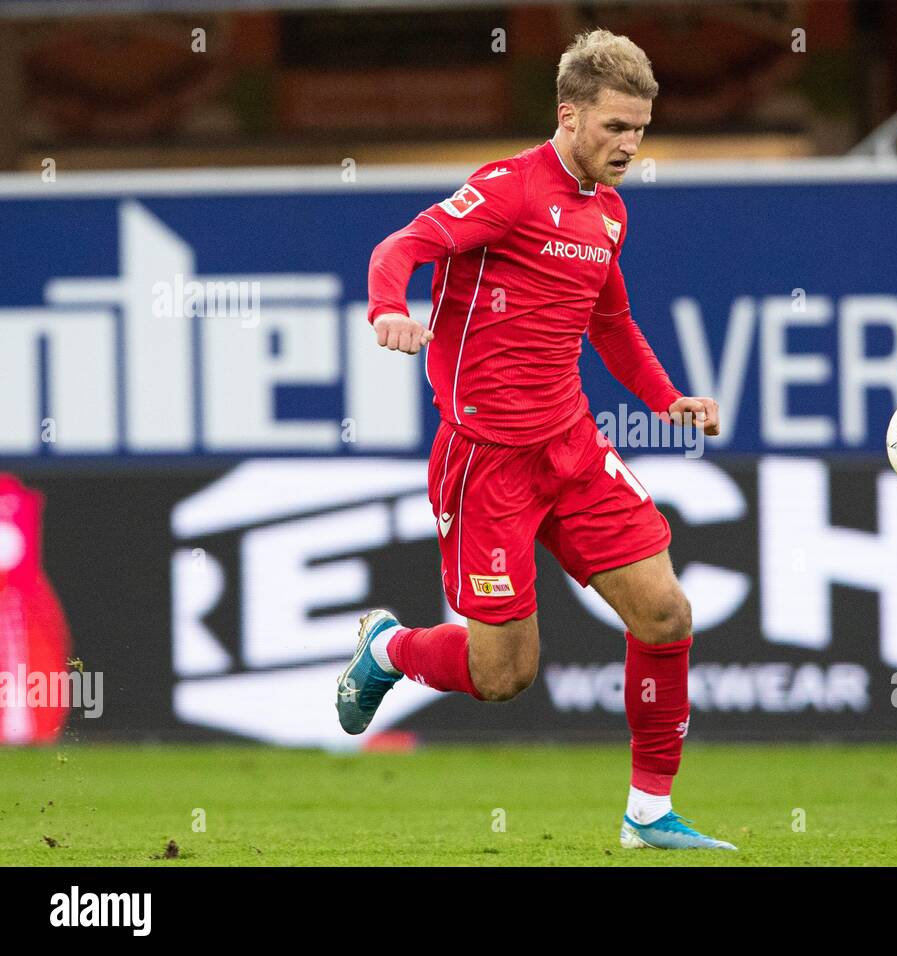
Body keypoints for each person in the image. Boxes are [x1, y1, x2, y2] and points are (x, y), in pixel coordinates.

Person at [337, 29, 734, 851]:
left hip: (572, 447)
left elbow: (611, 321)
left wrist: (667, 399)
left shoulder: (610, 215)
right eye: (615, 127)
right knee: (504, 676)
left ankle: (649, 814)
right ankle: (390, 647)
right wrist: (387, 310)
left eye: (640, 130)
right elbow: (399, 247)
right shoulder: (507, 190)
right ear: (569, 115)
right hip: (486, 461)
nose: (629, 146)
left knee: (664, 613)